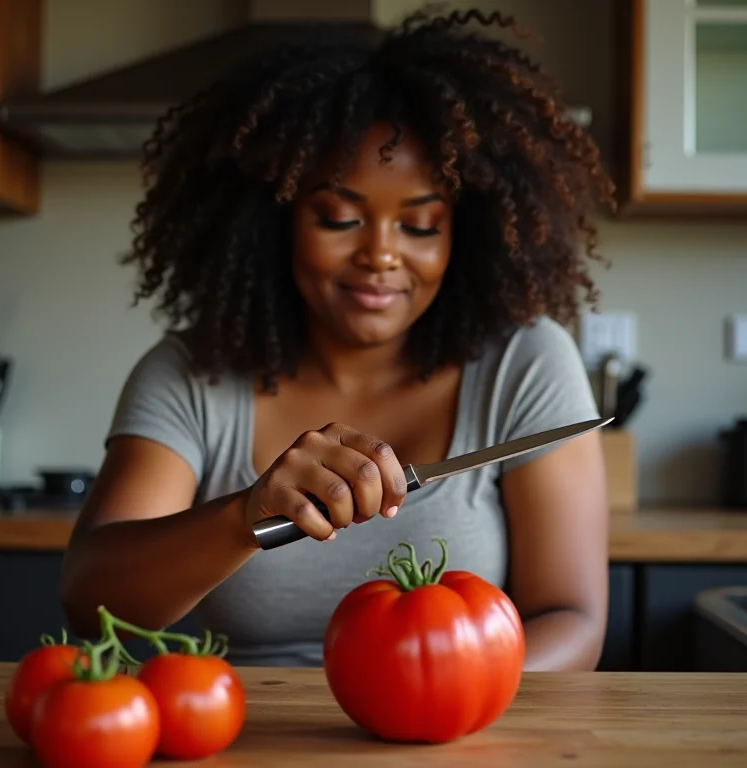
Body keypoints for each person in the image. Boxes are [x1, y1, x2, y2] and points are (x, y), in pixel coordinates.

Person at [61, 7, 615, 672]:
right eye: (340, 218)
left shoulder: (524, 362)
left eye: (420, 227)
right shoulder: (192, 373)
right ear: (275, 221)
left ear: (463, 237)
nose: (380, 255)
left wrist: (438, 697)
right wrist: (244, 516)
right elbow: (91, 600)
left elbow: (572, 619)